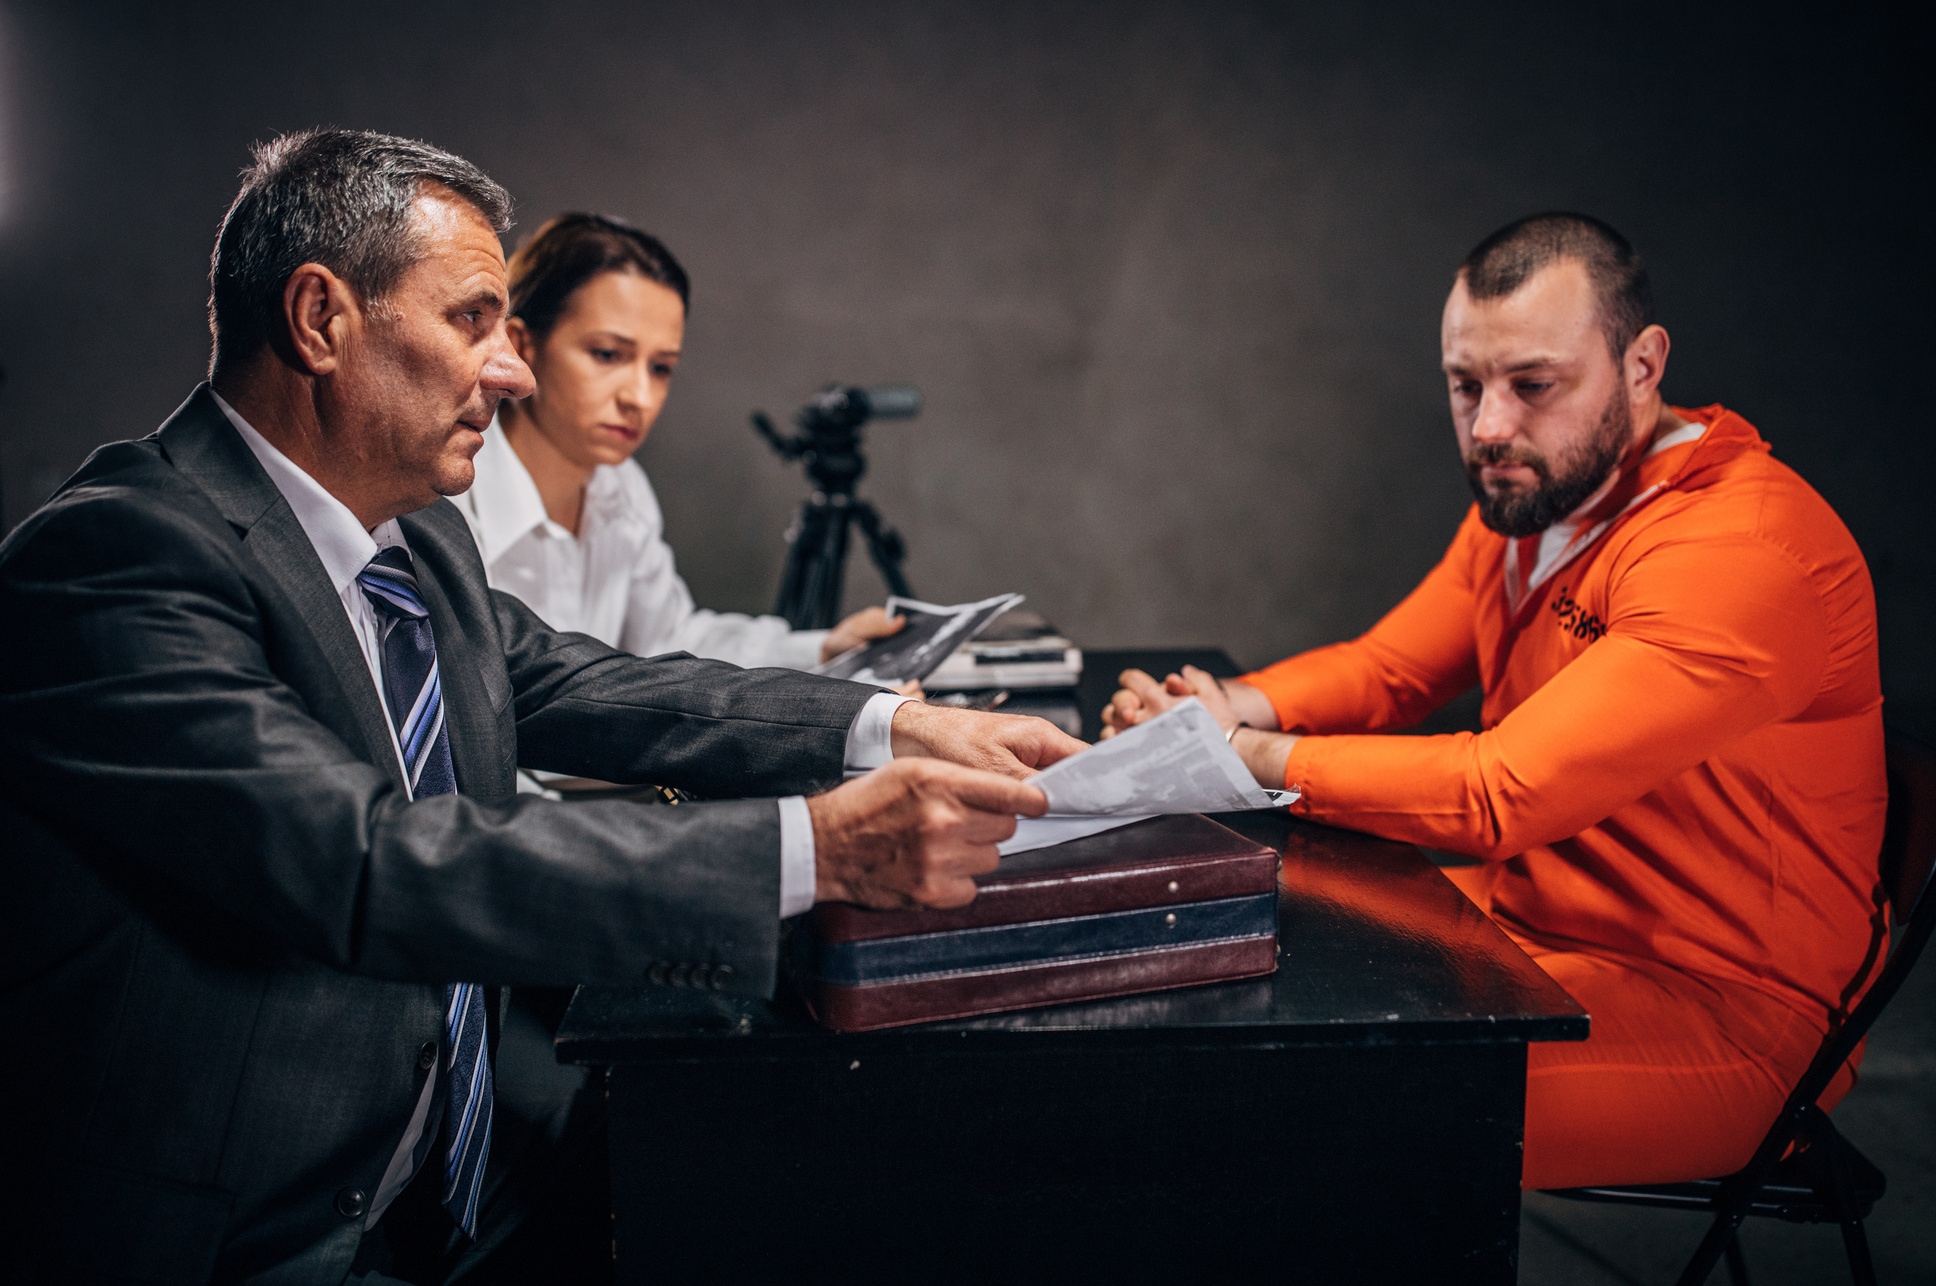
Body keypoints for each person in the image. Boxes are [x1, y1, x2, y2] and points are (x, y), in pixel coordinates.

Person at [0, 129, 1083, 1284]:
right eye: (472, 320)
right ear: (321, 321)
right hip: (250, 1229)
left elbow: (591, 678)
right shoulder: (113, 555)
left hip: (453, 1176)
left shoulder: (416, 533)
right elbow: (364, 857)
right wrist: (815, 846)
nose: (510, 370)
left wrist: (886, 722)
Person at [1103, 213, 1887, 1191]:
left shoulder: (1744, 549)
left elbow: (1497, 794)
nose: (1487, 428)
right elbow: (1389, 667)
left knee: (1288, 1105)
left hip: (1724, 1008)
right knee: (1192, 963)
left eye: (1532, 385)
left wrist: (1236, 756)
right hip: (1522, 917)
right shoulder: (1540, 496)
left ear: (1641, 365)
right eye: (1464, 385)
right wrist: (1235, 704)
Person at [456, 211, 901, 671]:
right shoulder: (452, 499)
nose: (640, 398)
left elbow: (670, 641)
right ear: (521, 346)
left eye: (660, 367)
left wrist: (822, 650)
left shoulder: (622, 487)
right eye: (607, 354)